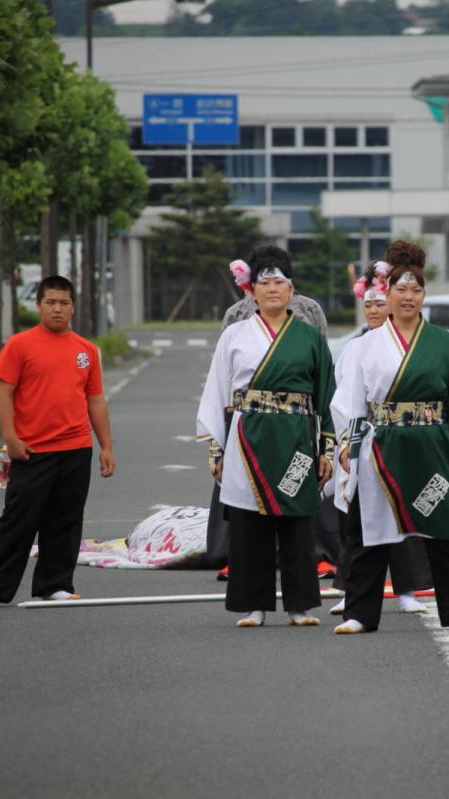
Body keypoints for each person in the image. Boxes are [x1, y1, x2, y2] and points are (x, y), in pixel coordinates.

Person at [331, 240, 449, 634]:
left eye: (416, 290)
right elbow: (352, 400)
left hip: (431, 442)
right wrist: (348, 443)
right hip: (382, 445)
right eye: (400, 289)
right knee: (368, 530)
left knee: (442, 528)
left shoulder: (441, 341)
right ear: (387, 293)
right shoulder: (367, 344)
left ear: (424, 295)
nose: (408, 297)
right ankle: (359, 613)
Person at [197, 246, 335, 628]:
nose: (272, 288)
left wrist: (326, 447)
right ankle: (252, 605)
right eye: (264, 282)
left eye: (280, 282)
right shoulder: (234, 336)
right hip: (248, 437)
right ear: (251, 291)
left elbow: (326, 395)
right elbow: (218, 393)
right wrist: (217, 449)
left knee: (297, 524)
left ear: (292, 290)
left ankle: (299, 605)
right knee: (248, 524)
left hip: (296, 438)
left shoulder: (309, 336)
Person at [0, 275, 115, 607]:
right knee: (17, 520)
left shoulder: (86, 350)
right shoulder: (20, 345)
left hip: (76, 448)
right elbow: (2, 391)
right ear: (38, 305)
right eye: (50, 302)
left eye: (64, 303)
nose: (57, 309)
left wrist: (106, 445)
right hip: (32, 449)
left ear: (73, 307)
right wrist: (10, 438)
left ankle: (54, 584)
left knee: (65, 520)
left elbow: (95, 400)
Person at [329, 261, 432, 616]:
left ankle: (408, 588)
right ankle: (349, 586)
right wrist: (346, 443)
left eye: (379, 303)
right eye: (368, 304)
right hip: (367, 436)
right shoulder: (357, 347)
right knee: (359, 518)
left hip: (409, 435)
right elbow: (345, 399)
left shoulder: (418, 340)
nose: (374, 310)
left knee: (405, 512)